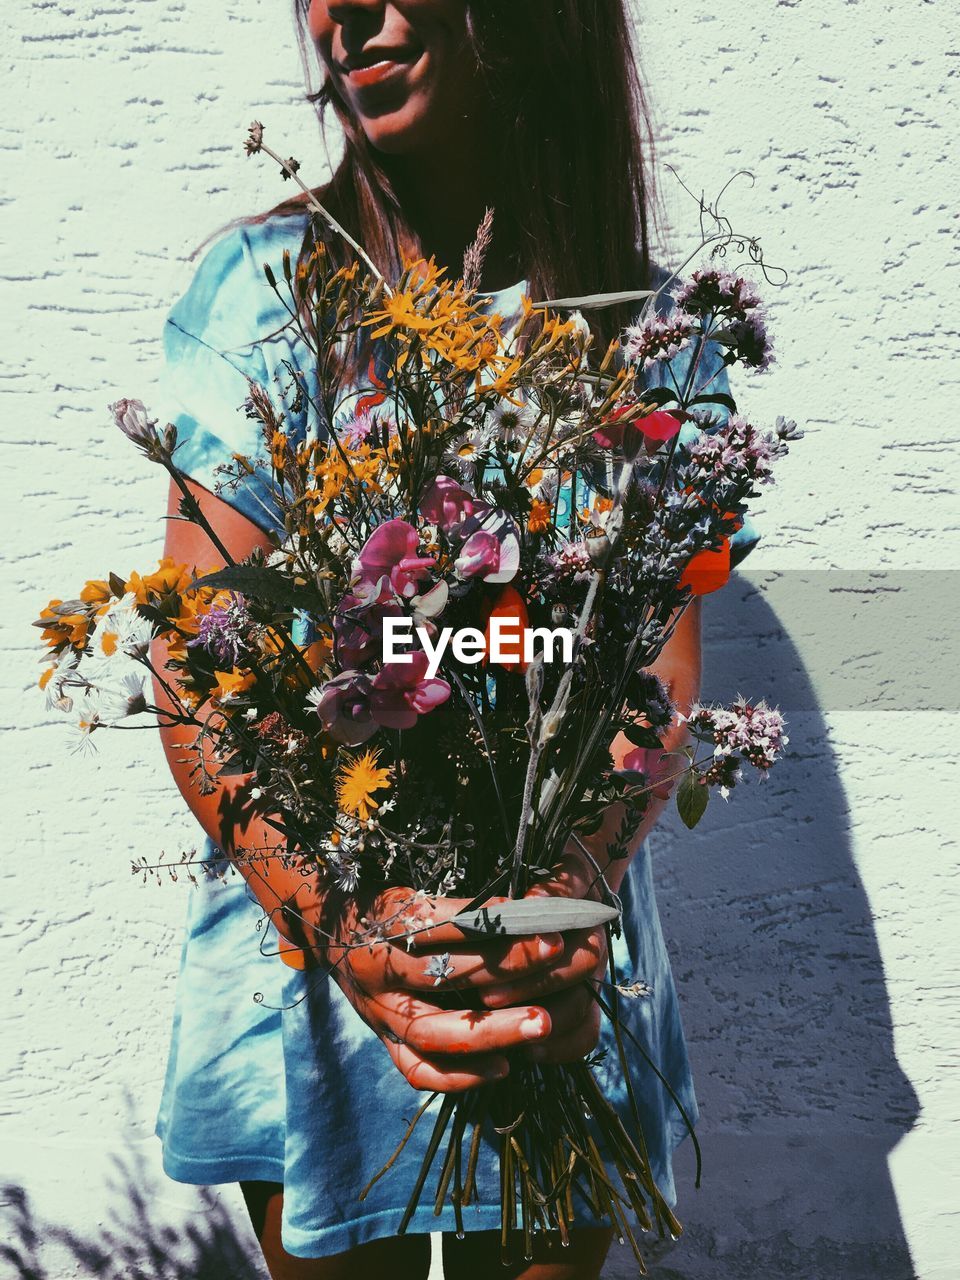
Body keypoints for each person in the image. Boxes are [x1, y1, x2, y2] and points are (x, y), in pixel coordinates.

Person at [153, 3, 759, 1278]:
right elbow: (199, 661)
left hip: (554, 976)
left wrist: (547, 909)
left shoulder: (643, 334)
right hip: (313, 955)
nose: (341, 10)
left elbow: (656, 677)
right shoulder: (270, 291)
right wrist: (353, 928)